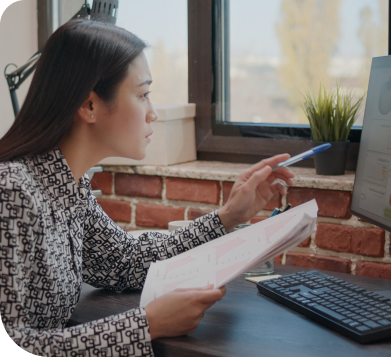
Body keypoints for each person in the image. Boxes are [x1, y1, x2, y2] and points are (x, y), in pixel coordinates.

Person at [0, 19, 294, 356]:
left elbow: (123, 261)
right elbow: (10, 347)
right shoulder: (12, 192)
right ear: (89, 105)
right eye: (143, 95)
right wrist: (147, 324)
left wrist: (228, 216)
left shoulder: (70, 185)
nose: (153, 113)